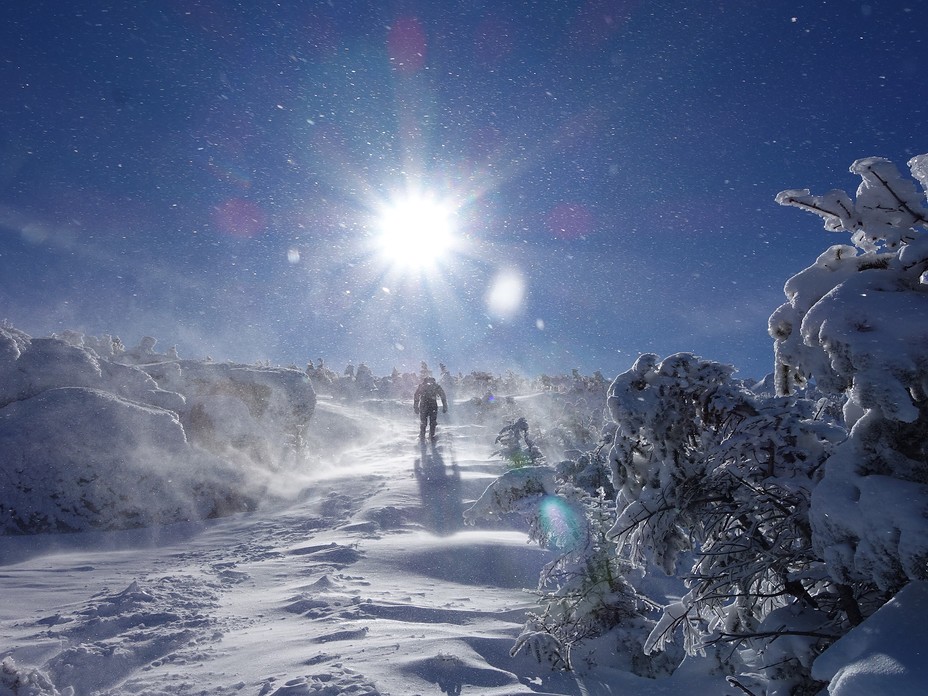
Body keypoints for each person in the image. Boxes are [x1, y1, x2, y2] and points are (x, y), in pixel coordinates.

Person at [413, 375, 448, 441]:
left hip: (423, 405)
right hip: (433, 406)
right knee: (433, 422)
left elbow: (416, 396)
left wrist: (415, 406)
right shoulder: (436, 386)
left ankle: (422, 436)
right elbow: (443, 396)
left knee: (423, 422)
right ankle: (431, 436)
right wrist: (445, 406)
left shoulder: (422, 386)